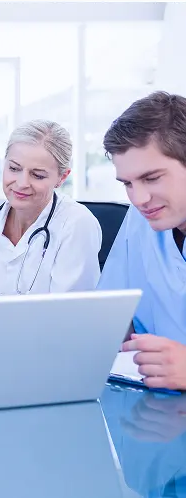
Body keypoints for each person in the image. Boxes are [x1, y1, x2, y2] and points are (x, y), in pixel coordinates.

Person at [0, 120, 102, 296]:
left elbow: (71, 309)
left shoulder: (77, 224)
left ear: (62, 178)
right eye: (14, 168)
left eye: (37, 175)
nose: (22, 183)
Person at [98, 91, 186, 392]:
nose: (139, 198)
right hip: (152, 402)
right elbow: (111, 316)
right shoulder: (140, 220)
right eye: (127, 183)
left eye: (151, 178)